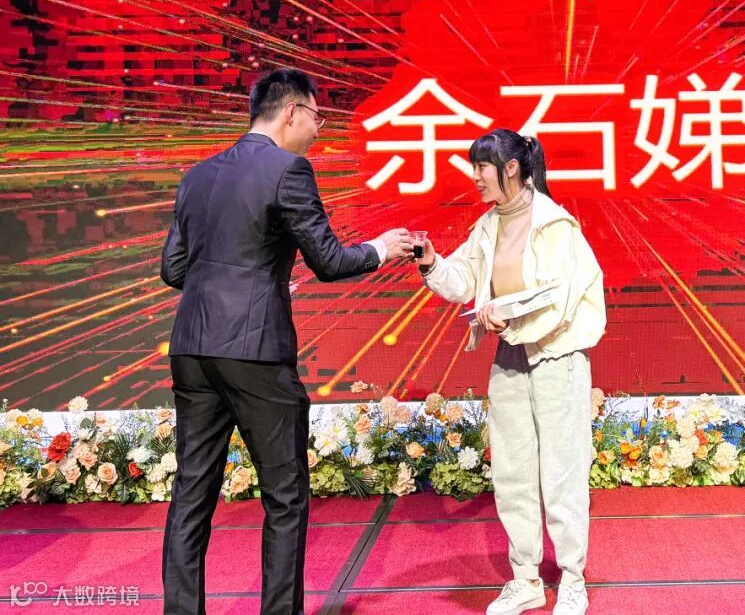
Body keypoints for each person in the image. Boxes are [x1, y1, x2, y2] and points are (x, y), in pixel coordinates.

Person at [159, 67, 413, 615]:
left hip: (192, 346)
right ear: (293, 111)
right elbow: (329, 261)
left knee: (191, 492)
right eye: (317, 117)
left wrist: (232, 279)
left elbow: (173, 270)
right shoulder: (289, 169)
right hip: (254, 350)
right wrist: (380, 248)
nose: (318, 131)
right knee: (285, 494)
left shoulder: (197, 176)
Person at [417, 129, 605, 615]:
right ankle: (526, 579)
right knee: (513, 471)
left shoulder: (555, 225)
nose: (475, 177)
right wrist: (432, 263)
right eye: (475, 167)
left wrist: (507, 317)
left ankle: (572, 578)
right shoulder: (489, 225)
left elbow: (560, 299)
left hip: (557, 355)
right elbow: (464, 281)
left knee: (562, 471)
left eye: (482, 167)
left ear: (512, 168)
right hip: (510, 357)